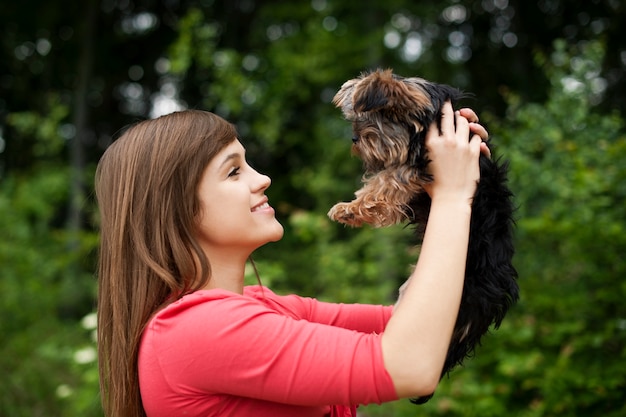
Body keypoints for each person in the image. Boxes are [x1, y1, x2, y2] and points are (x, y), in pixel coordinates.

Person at [95, 102, 490, 417]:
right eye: (233, 172)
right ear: (175, 208)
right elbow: (410, 364)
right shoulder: (193, 331)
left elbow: (433, 323)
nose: (261, 178)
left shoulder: (263, 307)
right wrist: (454, 196)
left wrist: (438, 181)